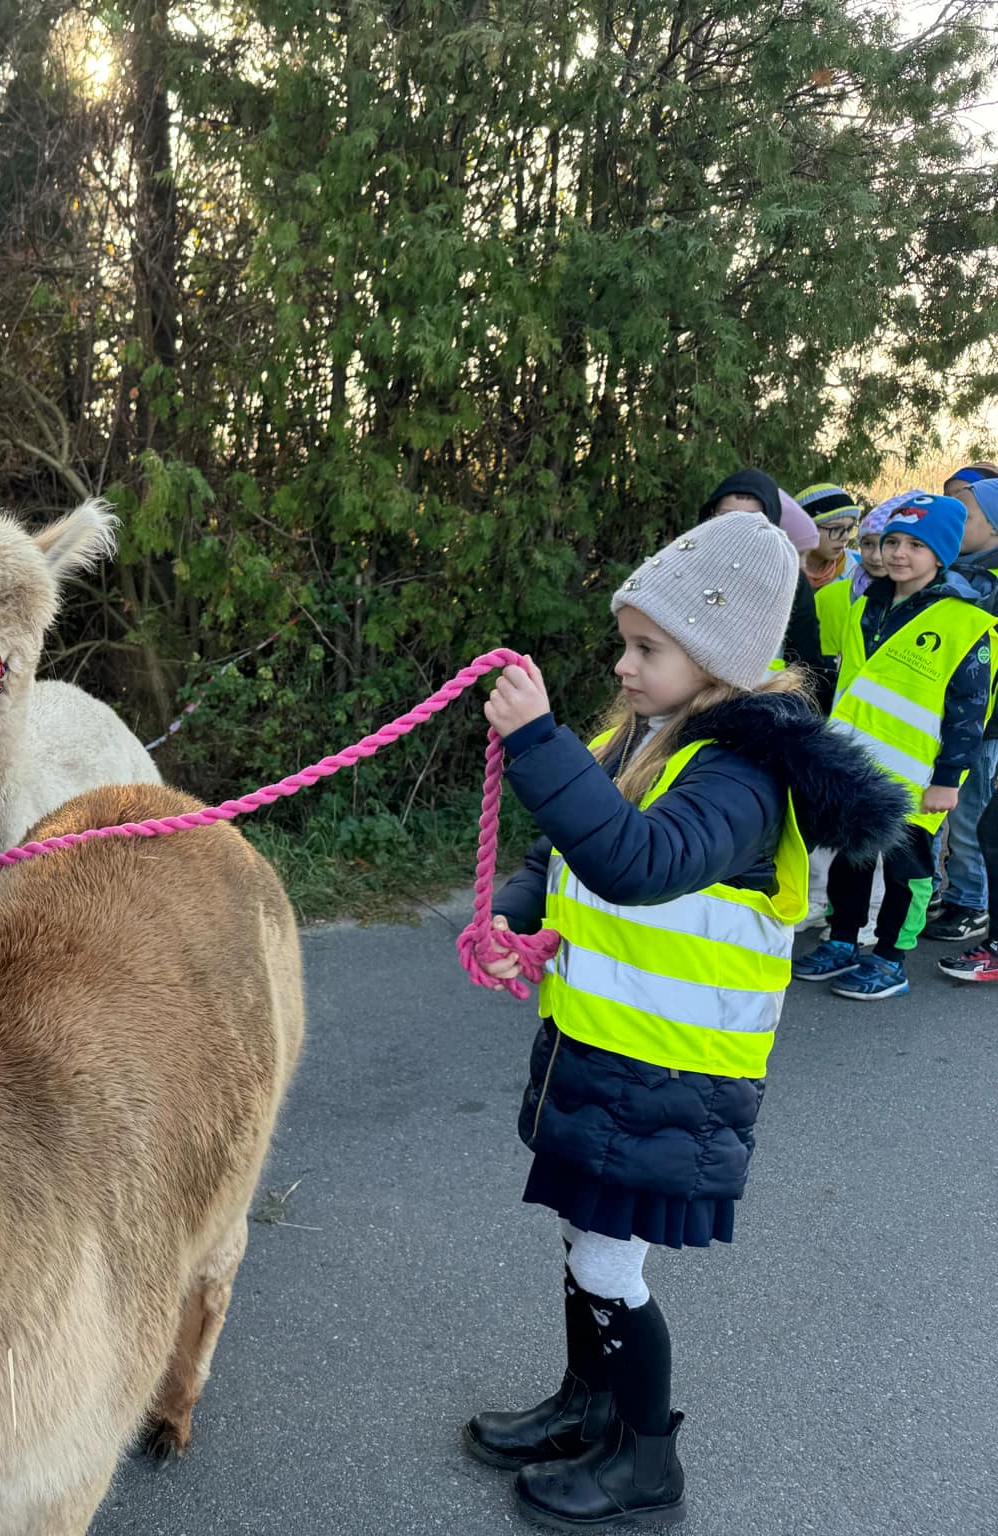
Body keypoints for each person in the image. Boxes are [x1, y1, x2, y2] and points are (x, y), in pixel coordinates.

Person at [465, 510, 902, 1529]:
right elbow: (568, 852)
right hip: (605, 1049)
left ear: (717, 656)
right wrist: (509, 912)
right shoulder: (648, 734)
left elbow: (637, 861)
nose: (621, 665)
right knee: (582, 1237)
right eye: (623, 641)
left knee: (610, 1263)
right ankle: (588, 1407)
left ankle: (644, 1457)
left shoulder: (742, 775)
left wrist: (533, 739)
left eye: (645, 647)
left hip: (671, 1071)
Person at [796, 494, 994, 999]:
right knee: (849, 860)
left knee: (906, 873)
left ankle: (890, 958)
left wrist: (949, 780)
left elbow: (971, 714)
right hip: (857, 767)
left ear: (941, 554)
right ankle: (843, 941)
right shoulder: (867, 606)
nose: (898, 553)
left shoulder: (967, 624)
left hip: (917, 778)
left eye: (915, 544)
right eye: (891, 542)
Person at [922, 468, 998, 947]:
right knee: (933, 812)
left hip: (985, 728)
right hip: (938, 717)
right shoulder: (952, 572)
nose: (957, 522)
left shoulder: (988, 584)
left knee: (969, 820)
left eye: (966, 515)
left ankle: (969, 902)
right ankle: (932, 890)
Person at [700, 470, 823, 679]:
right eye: (727, 516)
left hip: (760, 702)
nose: (736, 527)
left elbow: (805, 663)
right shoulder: (686, 564)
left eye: (751, 519)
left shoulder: (791, 581)